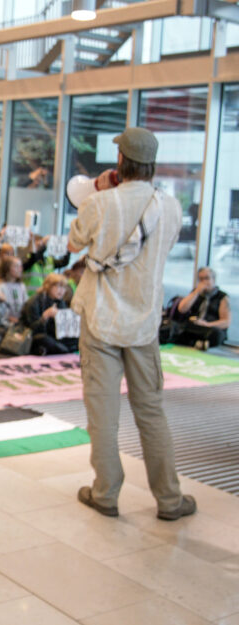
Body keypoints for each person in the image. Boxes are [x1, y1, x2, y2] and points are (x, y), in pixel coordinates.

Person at [68, 126, 196, 522]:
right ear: (152, 164)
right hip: (143, 323)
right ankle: (170, 499)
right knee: (151, 411)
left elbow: (74, 243)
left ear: (121, 161)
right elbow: (164, 249)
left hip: (100, 320)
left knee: (103, 415)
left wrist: (100, 193)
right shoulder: (170, 207)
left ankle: (105, 493)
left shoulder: (99, 203)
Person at [173, 267, 231, 349]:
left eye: (207, 278)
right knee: (176, 327)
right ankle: (197, 343)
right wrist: (196, 292)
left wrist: (207, 324)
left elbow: (226, 322)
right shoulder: (195, 293)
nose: (204, 282)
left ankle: (194, 342)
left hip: (209, 328)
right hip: (194, 326)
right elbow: (182, 309)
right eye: (201, 279)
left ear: (213, 279)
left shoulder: (222, 297)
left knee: (217, 334)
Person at [21, 273, 77, 355]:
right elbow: (31, 329)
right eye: (58, 286)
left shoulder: (60, 302)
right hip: (32, 336)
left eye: (64, 287)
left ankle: (61, 349)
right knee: (43, 339)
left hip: (53, 336)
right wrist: (44, 317)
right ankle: (64, 350)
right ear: (48, 286)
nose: (62, 290)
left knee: (77, 338)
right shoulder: (34, 301)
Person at [0, 255, 27, 332]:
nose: (20, 269)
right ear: (7, 269)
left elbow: (25, 305)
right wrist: (8, 317)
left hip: (19, 324)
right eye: (16, 266)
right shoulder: (0, 287)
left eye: (20, 266)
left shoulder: (22, 286)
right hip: (4, 326)